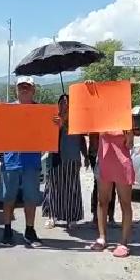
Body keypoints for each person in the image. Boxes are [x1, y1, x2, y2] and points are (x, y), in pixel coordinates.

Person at [0, 76, 47, 247]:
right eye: (21, 87)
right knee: (9, 197)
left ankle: (30, 230)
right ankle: (7, 230)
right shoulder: (5, 110)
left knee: (30, 198)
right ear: (16, 89)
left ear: (34, 90)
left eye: (28, 87)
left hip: (32, 161)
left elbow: (48, 133)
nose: (24, 89)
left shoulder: (41, 111)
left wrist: (55, 123)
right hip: (11, 160)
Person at [43, 94, 88, 229]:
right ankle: (52, 216)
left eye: (67, 102)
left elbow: (81, 140)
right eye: (62, 102)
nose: (65, 105)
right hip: (55, 158)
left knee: (71, 188)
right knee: (53, 188)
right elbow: (45, 136)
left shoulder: (77, 121)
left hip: (72, 158)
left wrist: (85, 156)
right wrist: (59, 126)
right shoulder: (53, 119)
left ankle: (71, 218)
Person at [89, 128, 136, 258]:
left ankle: (124, 242)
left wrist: (129, 135)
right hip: (104, 163)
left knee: (125, 203)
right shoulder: (102, 119)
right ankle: (102, 237)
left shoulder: (125, 120)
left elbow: (130, 145)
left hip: (122, 164)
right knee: (102, 201)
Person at [89, 133, 117, 227]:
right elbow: (92, 137)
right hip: (96, 152)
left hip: (110, 152)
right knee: (98, 184)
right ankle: (96, 215)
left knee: (112, 184)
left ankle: (110, 215)